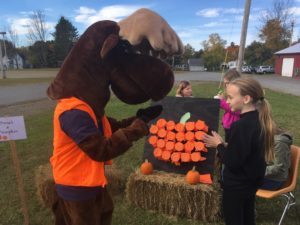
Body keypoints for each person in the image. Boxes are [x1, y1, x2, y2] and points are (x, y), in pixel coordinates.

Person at [203, 77, 275, 225]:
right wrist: (228, 145)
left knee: (234, 219)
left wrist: (219, 145)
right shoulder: (259, 120)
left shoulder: (241, 126)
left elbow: (232, 162)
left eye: (230, 97)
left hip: (237, 185)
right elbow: (248, 150)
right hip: (251, 182)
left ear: (246, 98)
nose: (226, 101)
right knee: (248, 217)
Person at [218, 69, 241, 141]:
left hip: (234, 126)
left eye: (228, 83)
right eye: (225, 83)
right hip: (228, 125)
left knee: (232, 145)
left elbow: (235, 109)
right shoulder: (229, 92)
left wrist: (221, 102)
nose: (226, 85)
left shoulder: (240, 94)